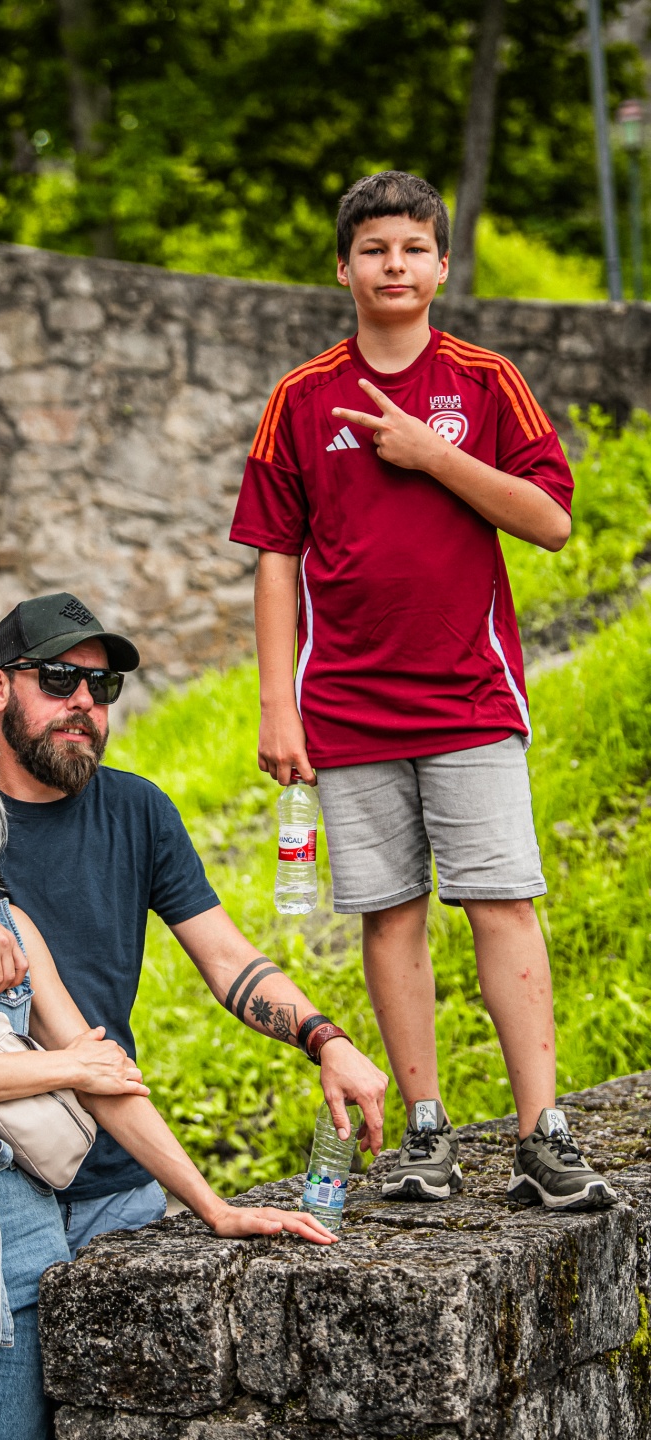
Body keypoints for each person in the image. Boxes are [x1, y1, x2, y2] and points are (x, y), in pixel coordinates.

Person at [0, 593, 389, 1256]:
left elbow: (227, 959)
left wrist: (325, 1039)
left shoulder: (137, 811)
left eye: (103, 685)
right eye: (59, 678)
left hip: (114, 1170)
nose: (84, 702)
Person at [230, 170, 615, 1212]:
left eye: (412, 248)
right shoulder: (300, 398)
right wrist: (277, 705)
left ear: (442, 265)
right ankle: (426, 1132)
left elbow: (549, 520)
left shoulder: (486, 381)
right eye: (374, 249)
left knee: (503, 903)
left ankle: (543, 1133)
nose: (393, 265)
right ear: (343, 268)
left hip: (470, 697)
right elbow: (273, 556)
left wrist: (434, 455)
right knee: (389, 916)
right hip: (346, 708)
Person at [0, 711, 332, 1440]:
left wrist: (212, 1206)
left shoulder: (8, 926)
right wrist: (66, 1065)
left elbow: (105, 1075)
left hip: (24, 1243)